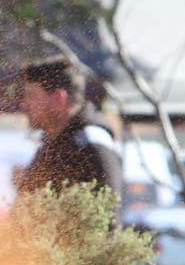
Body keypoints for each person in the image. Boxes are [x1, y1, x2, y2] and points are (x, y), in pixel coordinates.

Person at [16, 59, 123, 202]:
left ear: (60, 98)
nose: (24, 104)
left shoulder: (91, 146)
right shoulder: (52, 143)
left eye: (32, 96)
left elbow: (105, 219)